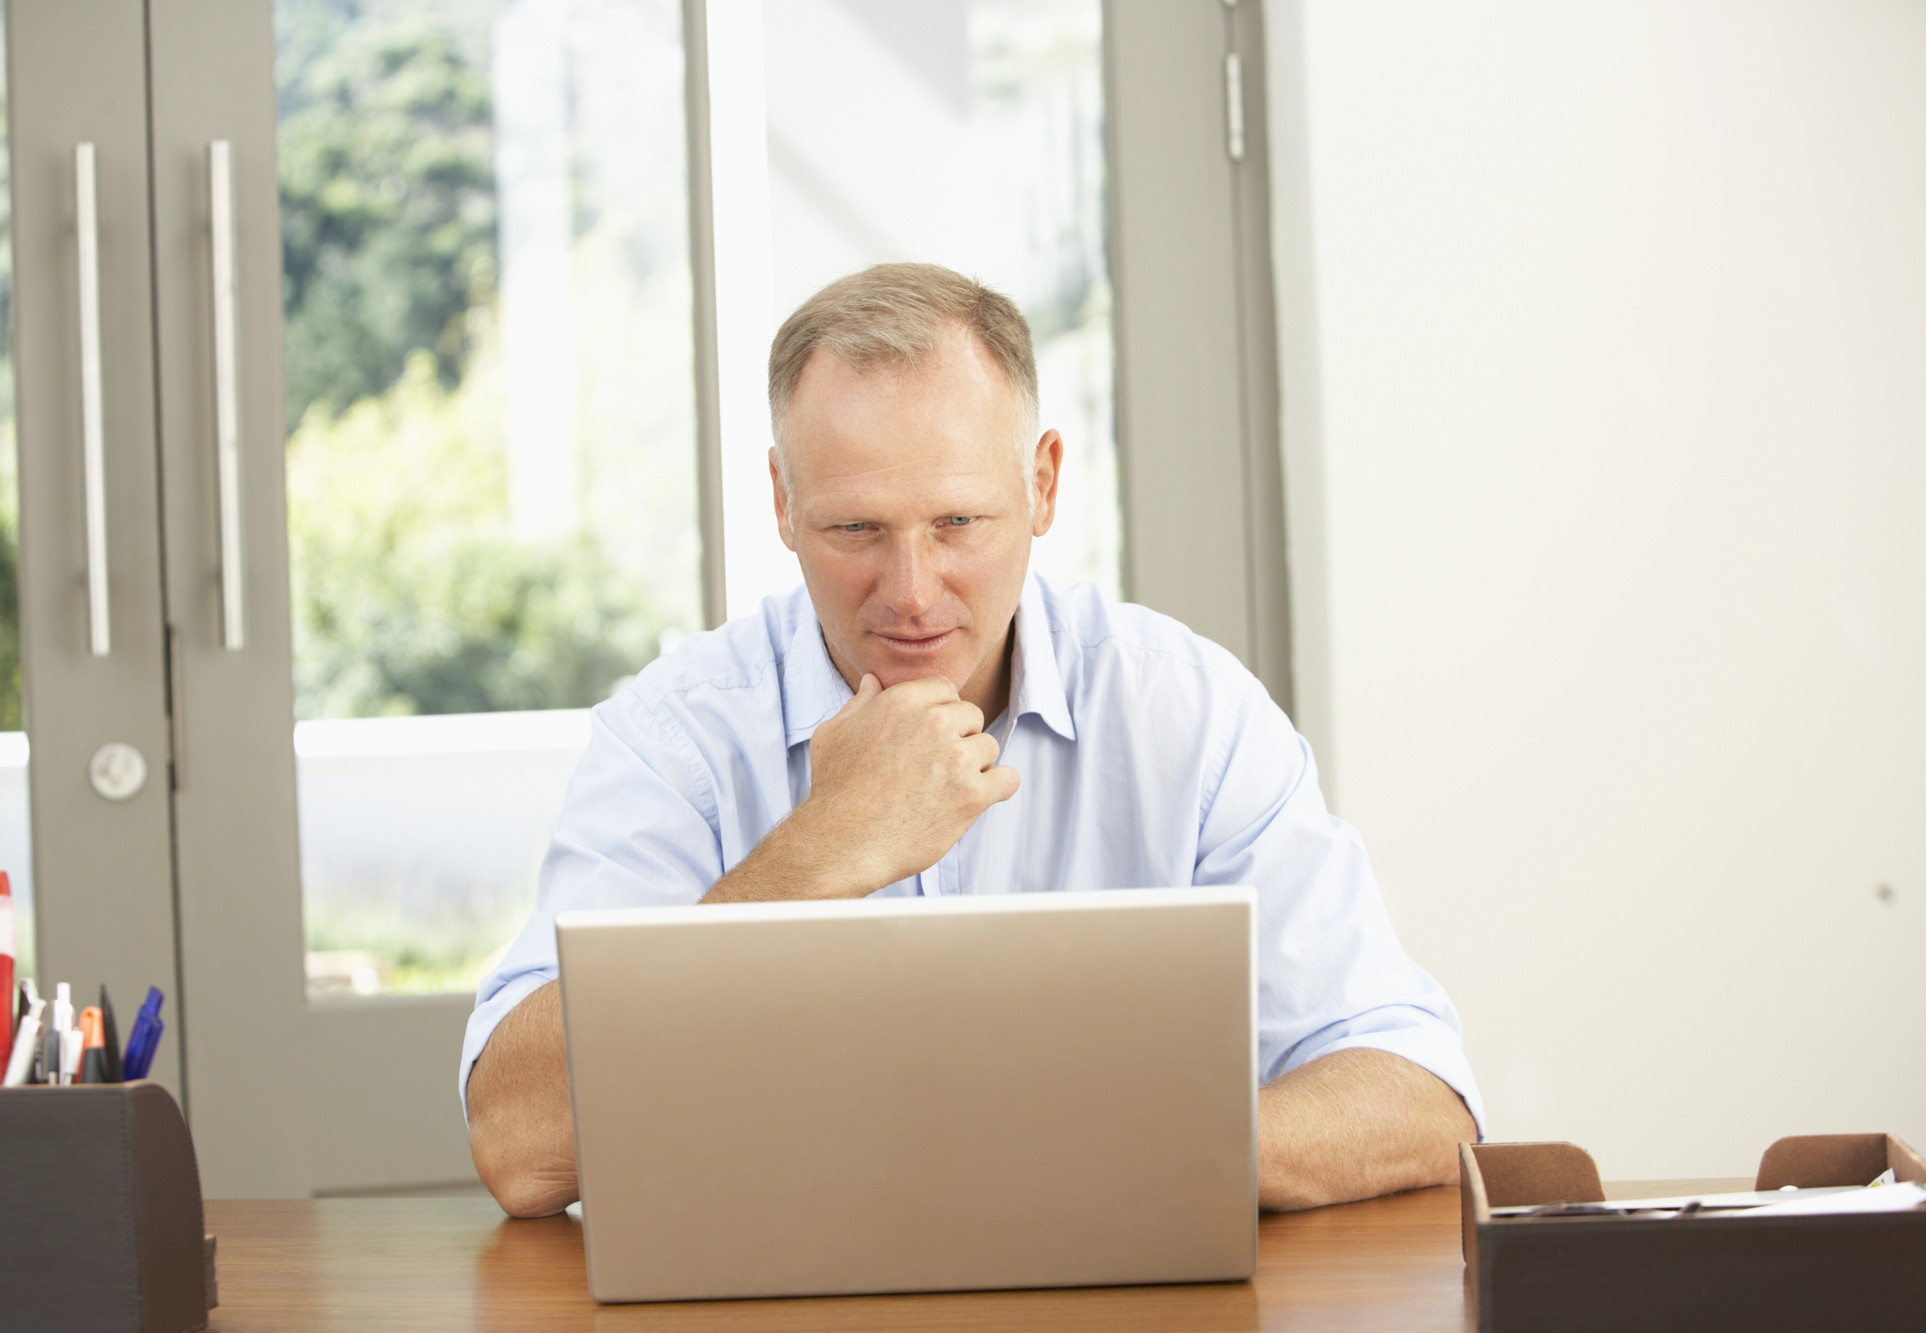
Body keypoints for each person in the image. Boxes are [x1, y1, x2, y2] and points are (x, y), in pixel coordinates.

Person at [462, 263, 1483, 1219]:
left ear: (1040, 484)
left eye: (957, 521)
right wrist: (820, 851)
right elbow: (520, 1141)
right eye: (853, 530)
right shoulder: (674, 738)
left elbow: (1415, 1091)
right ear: (780, 501)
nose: (910, 593)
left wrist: (1103, 1153)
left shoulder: (1186, 714)